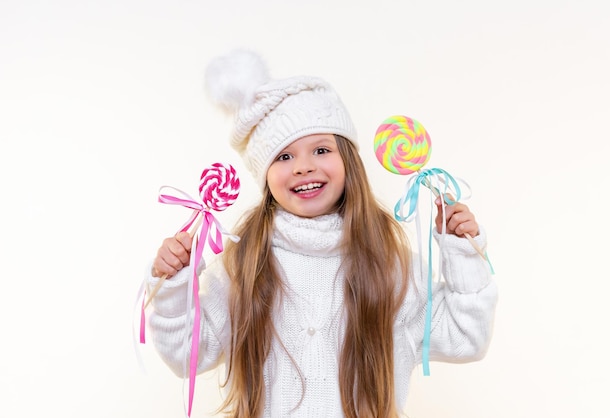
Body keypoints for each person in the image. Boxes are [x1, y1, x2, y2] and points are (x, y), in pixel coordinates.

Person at [145, 49, 498, 418]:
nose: (304, 167)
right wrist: (173, 286)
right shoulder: (242, 264)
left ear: (348, 161)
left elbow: (467, 338)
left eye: (321, 149)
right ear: (264, 175)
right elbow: (187, 355)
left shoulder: (391, 264)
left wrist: (463, 251)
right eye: (284, 156)